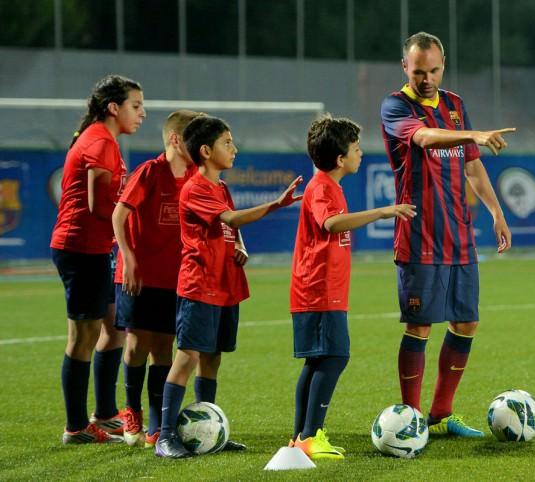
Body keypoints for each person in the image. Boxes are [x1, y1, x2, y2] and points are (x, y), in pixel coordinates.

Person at [380, 31, 515, 437]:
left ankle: (441, 414)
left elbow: (472, 166)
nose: (427, 79)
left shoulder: (454, 104)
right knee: (420, 327)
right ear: (405, 67)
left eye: (434, 71)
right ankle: (411, 419)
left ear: (443, 66)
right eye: (418, 72)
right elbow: (423, 137)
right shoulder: (395, 106)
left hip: (459, 236)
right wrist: (474, 134)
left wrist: (496, 211)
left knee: (466, 322)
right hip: (419, 235)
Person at [155, 115, 304, 458]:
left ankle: (208, 430)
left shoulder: (221, 188)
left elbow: (231, 229)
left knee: (212, 357)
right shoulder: (195, 187)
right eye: (227, 142)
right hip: (200, 285)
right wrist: (276, 204)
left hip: (224, 283)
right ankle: (165, 436)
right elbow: (232, 218)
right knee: (187, 357)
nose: (234, 148)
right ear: (206, 151)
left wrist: (240, 246)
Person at [290, 115, 416, 459]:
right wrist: (383, 212)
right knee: (335, 356)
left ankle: (301, 437)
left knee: (318, 360)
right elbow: (331, 223)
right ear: (340, 158)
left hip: (319, 287)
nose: (360, 153)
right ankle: (310, 436)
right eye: (356, 148)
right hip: (318, 288)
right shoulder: (322, 187)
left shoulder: (330, 186)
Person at [50, 74, 145, 444]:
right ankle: (75, 427)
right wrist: (134, 222)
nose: (142, 113)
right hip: (81, 248)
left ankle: (105, 413)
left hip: (95, 248)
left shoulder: (103, 139)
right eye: (136, 106)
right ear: (113, 107)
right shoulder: (100, 141)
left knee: (114, 327)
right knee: (83, 336)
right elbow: (99, 205)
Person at [111, 110, 201, 448]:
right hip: (138, 275)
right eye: (194, 138)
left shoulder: (195, 176)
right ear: (176, 140)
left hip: (175, 277)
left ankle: (157, 422)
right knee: (137, 344)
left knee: (164, 346)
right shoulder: (150, 172)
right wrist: (129, 258)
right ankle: (131, 410)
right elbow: (119, 215)